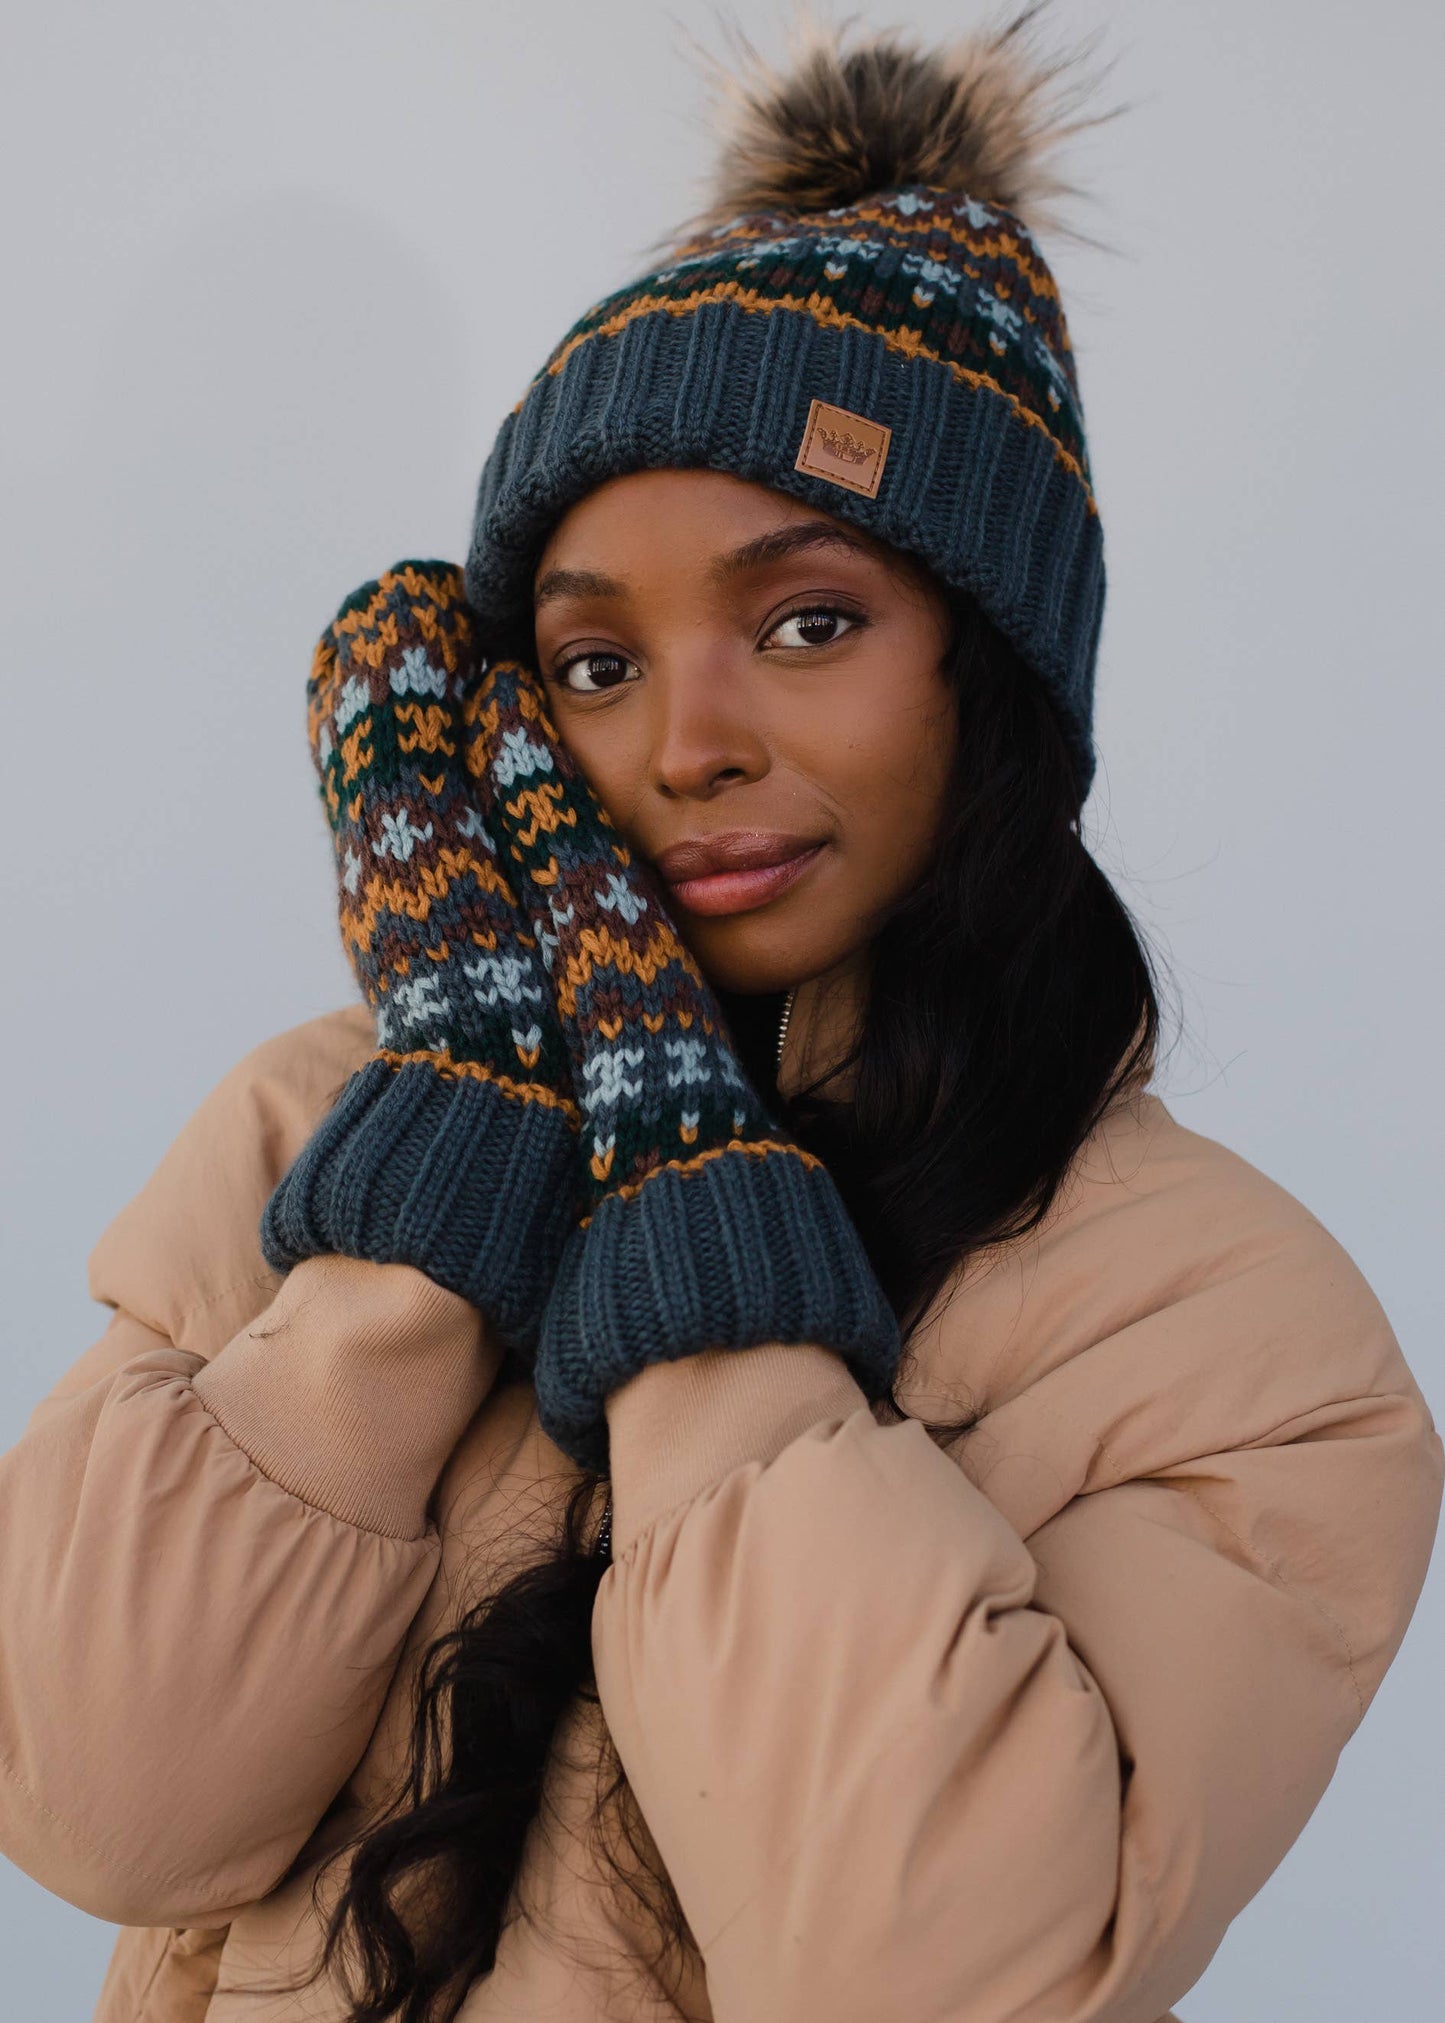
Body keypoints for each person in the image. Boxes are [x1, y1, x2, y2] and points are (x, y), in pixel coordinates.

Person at [2, 15, 1439, 2023]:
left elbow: (922, 1976)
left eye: (810, 622)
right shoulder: (314, 1131)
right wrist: (440, 1192)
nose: (682, 746)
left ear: (993, 669)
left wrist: (696, 1235)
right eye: (591, 660)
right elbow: (105, 1806)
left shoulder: (1249, 1341)